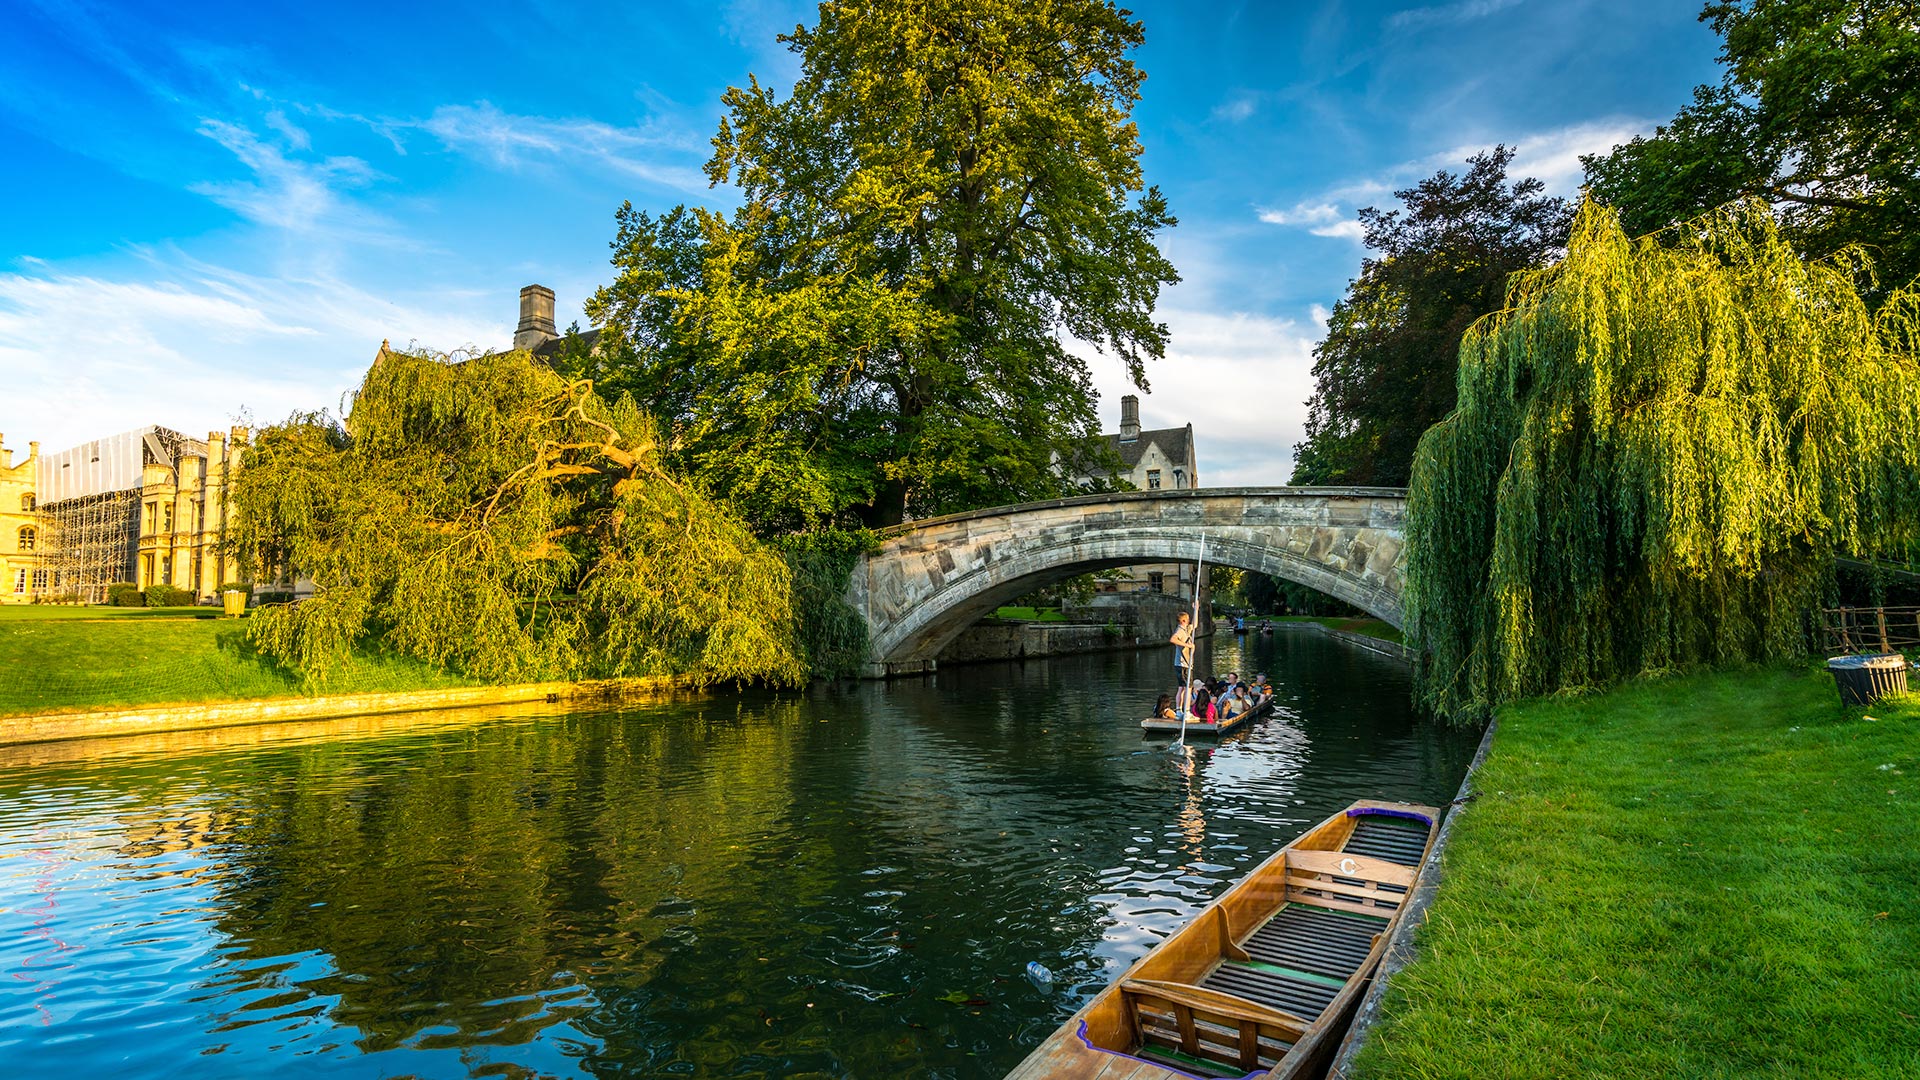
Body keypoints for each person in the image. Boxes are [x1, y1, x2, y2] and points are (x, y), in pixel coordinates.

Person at [1169, 611, 1195, 714]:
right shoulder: (1180, 630)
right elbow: (1172, 639)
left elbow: (1195, 624)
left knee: (1182, 687)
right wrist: (1188, 646)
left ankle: (1179, 710)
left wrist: (1196, 609)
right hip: (1183, 664)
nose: (1189, 621)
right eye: (1188, 619)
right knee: (1188, 688)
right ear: (1184, 620)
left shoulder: (1186, 630)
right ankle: (1186, 711)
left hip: (1183, 664)